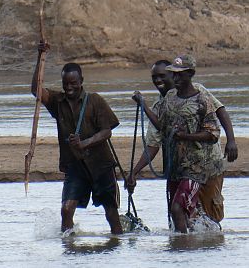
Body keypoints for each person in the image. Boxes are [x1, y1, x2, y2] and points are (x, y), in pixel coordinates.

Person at [129, 55, 232, 233]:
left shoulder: (200, 95)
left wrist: (231, 140)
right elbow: (158, 136)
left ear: (189, 74)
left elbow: (215, 125)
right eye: (155, 77)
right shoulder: (165, 101)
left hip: (204, 167)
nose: (159, 80)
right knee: (180, 213)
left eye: (164, 76)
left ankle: (199, 246)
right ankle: (184, 249)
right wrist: (134, 172)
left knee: (206, 212)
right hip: (178, 169)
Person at [31, 44, 123, 234]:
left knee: (111, 214)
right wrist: (40, 57)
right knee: (66, 210)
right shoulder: (58, 102)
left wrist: (85, 143)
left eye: (74, 83)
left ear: (81, 81)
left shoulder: (95, 100)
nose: (70, 87)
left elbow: (107, 132)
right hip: (75, 167)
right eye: (66, 84)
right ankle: (69, 247)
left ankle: (117, 242)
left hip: (101, 166)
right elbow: (36, 90)